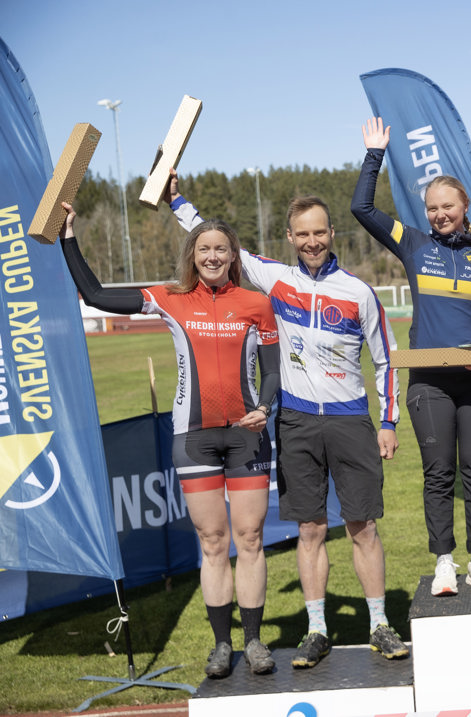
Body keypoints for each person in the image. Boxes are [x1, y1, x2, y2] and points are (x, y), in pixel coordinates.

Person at [168, 176, 409, 668]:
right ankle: (317, 629)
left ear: (332, 233)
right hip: (296, 422)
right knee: (310, 530)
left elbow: (387, 359)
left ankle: (380, 624)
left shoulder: (359, 292)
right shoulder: (275, 279)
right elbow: (215, 239)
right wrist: (175, 199)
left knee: (363, 527)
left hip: (350, 421)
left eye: (319, 233)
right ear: (290, 237)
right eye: (302, 234)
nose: (312, 242)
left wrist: (388, 421)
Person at [59, 203, 280, 678]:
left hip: (248, 439)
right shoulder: (171, 297)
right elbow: (95, 295)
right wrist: (68, 238)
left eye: (221, 249)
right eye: (204, 249)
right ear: (193, 255)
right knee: (214, 540)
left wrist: (264, 408)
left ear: (233, 256)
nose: (213, 256)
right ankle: (222, 646)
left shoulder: (257, 304)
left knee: (251, 537)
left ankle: (256, 641)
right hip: (193, 438)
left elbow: (274, 371)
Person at [351, 117, 471, 597]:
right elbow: (361, 207)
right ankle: (444, 563)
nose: (440, 214)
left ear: (464, 207)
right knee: (439, 474)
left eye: (448, 206)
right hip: (429, 384)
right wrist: (374, 155)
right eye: (433, 208)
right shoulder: (414, 243)